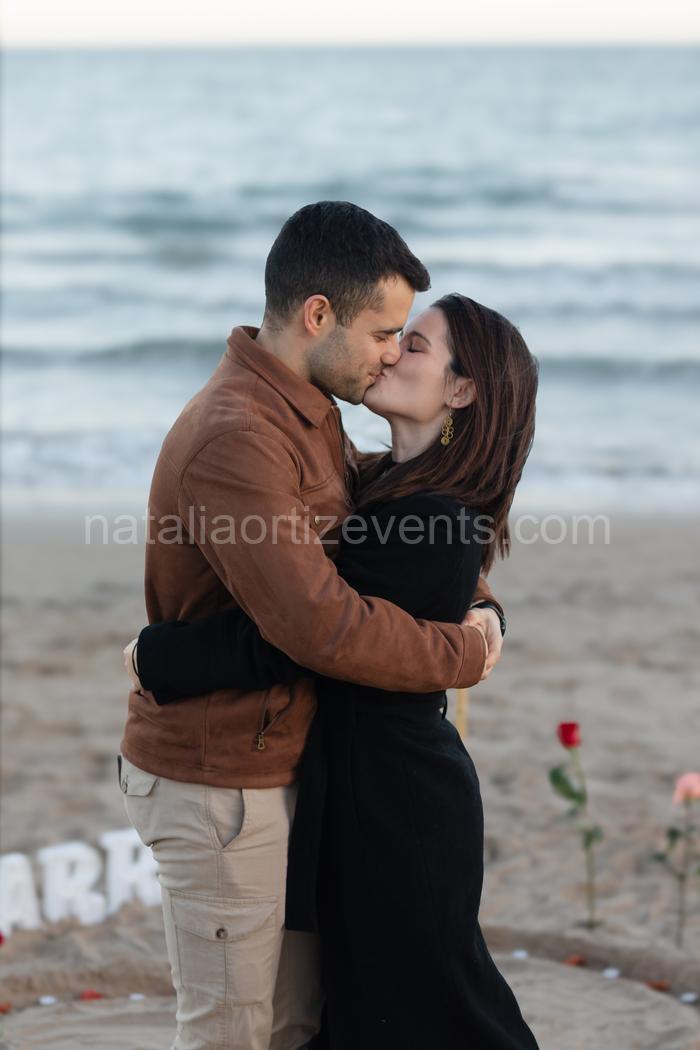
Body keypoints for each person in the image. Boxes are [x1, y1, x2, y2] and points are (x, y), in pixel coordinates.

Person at [118, 201, 507, 1050]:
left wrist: (477, 599)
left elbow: (391, 514)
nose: (389, 356)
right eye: (384, 332)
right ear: (318, 315)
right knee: (231, 1032)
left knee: (295, 1027)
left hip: (286, 770)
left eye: (409, 340)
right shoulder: (239, 436)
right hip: (222, 778)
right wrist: (462, 653)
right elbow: (321, 627)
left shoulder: (308, 410)